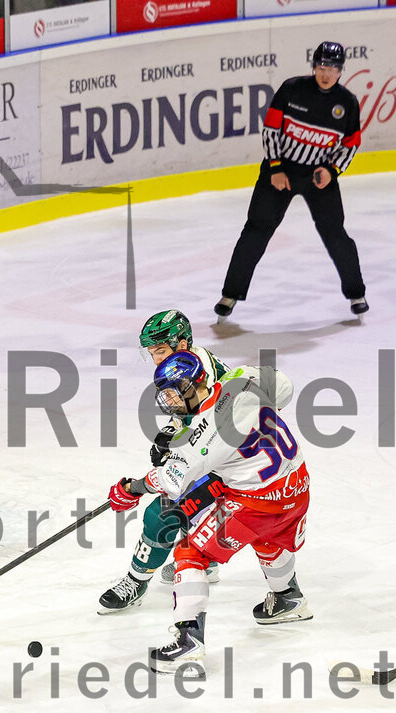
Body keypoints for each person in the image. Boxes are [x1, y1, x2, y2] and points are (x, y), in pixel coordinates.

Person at [108, 352, 311, 677]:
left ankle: (188, 642)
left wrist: (131, 489)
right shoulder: (242, 377)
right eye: (166, 394)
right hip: (296, 486)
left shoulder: (204, 431)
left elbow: (172, 481)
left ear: (196, 384)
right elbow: (283, 387)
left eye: (175, 391)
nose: (170, 400)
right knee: (268, 539)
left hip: (257, 502)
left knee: (190, 553)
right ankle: (287, 598)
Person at [216, 41, 368, 320]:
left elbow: (351, 143)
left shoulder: (347, 103)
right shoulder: (292, 88)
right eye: (322, 67)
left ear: (341, 71)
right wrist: (275, 167)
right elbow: (272, 128)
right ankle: (230, 295)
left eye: (332, 68)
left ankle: (357, 293)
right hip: (280, 171)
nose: (326, 74)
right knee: (256, 230)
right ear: (313, 67)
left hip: (319, 175)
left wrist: (332, 171)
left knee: (335, 233)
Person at [97, 311, 230, 614]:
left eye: (160, 350)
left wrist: (135, 487)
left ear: (181, 342)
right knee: (187, 497)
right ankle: (204, 561)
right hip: (226, 454)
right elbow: (187, 414)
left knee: (164, 512)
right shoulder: (189, 363)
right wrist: (172, 432)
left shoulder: (205, 378)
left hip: (231, 463)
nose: (156, 358)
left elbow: (194, 453)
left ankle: (136, 581)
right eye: (152, 352)